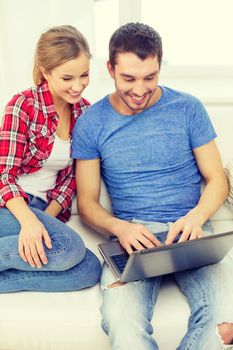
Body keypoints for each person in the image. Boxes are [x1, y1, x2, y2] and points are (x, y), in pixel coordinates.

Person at [72, 22, 232, 349]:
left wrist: (196, 217)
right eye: (129, 79)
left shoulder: (188, 108)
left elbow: (217, 180)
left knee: (225, 322)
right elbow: (87, 203)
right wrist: (120, 228)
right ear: (110, 69)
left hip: (191, 233)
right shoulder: (91, 122)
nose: (140, 90)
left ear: (160, 65)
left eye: (150, 77)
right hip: (134, 236)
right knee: (122, 321)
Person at [0, 25, 101, 292]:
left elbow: (70, 181)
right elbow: (4, 175)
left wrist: (45, 221)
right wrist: (29, 222)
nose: (78, 86)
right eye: (67, 78)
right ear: (45, 72)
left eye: (85, 75)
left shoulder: (85, 114)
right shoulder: (24, 105)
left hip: (43, 210)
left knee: (90, 270)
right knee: (68, 247)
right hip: (10, 206)